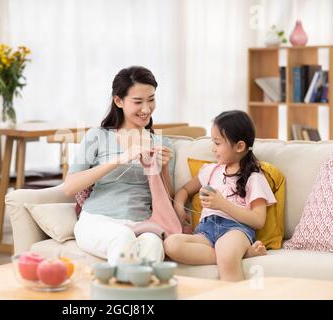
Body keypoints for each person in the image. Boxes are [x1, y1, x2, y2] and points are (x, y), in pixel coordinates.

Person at [63, 66, 178, 265]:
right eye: (138, 102)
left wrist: (164, 169)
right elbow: (69, 187)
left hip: (143, 225)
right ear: (118, 101)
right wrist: (120, 159)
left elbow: (167, 200)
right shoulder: (97, 136)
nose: (146, 109)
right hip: (98, 221)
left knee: (153, 244)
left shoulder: (162, 144)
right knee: (123, 237)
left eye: (151, 99)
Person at [164, 110, 276, 281]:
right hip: (206, 232)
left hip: (236, 230)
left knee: (226, 250)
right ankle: (242, 254)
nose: (212, 148)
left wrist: (222, 204)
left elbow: (258, 220)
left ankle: (233, 261)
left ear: (239, 146)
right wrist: (179, 206)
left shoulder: (254, 178)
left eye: (217, 143)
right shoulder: (211, 170)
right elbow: (184, 190)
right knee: (171, 244)